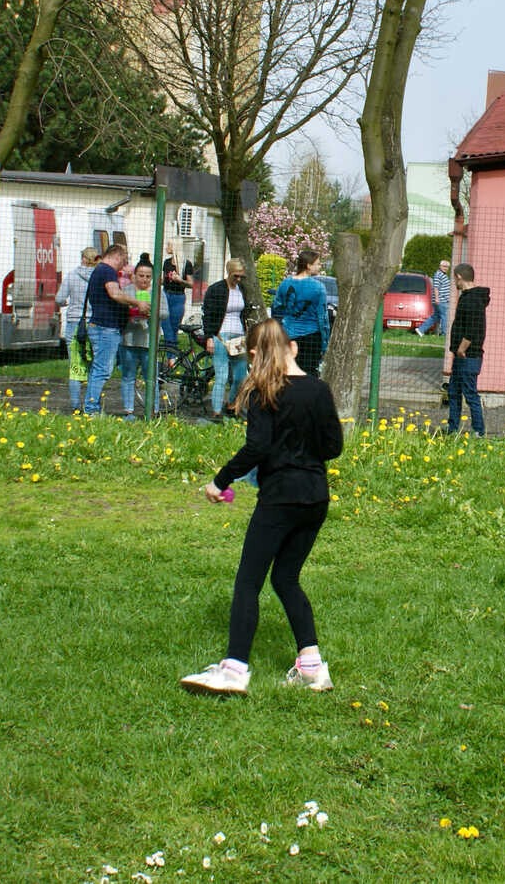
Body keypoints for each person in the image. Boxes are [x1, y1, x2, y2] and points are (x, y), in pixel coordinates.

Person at [181, 318, 344, 696]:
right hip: (315, 498)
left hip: (280, 499)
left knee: (248, 581)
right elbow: (333, 447)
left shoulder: (260, 393)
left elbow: (257, 447)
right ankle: (311, 668)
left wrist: (218, 481)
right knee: (285, 578)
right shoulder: (318, 390)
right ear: (294, 348)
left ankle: (234, 669)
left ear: (253, 354)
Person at [83, 244, 148, 416]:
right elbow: (115, 294)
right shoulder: (107, 271)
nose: (124, 265)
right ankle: (91, 409)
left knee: (99, 369)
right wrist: (137, 303)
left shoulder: (100, 270)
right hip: (106, 328)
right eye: (124, 260)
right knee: (102, 370)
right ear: (117, 256)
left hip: (102, 327)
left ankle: (91, 406)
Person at [203, 259, 251, 421]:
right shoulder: (216, 289)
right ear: (229, 272)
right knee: (222, 376)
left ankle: (231, 404)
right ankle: (216, 411)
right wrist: (209, 337)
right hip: (220, 336)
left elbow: (245, 312)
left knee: (240, 376)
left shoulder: (241, 289)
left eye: (241, 277)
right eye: (236, 276)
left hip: (238, 337)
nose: (238, 279)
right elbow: (208, 314)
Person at [118, 263, 167, 420]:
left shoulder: (157, 292)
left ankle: (153, 410)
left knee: (150, 376)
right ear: (134, 275)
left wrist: (152, 311)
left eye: (148, 276)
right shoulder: (127, 291)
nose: (144, 279)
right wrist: (131, 311)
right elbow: (119, 309)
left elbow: (165, 313)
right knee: (128, 376)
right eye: (141, 275)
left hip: (149, 341)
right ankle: (128, 411)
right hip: (129, 339)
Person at [445, 263, 490, 436]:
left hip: (468, 356)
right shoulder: (468, 296)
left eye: (454, 278)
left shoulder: (472, 300)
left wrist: (462, 349)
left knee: (470, 394)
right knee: (454, 392)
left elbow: (473, 329)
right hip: (461, 356)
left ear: (458, 277)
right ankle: (452, 428)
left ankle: (478, 431)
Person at [270, 249, 329, 377]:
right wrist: (325, 343)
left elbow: (276, 307)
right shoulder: (318, 287)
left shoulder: (285, 284)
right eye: (318, 263)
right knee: (309, 373)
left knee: (287, 371)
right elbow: (322, 317)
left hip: (288, 334)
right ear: (308, 265)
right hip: (311, 336)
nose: (320, 266)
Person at [58, 247, 98, 412]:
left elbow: (59, 298)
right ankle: (91, 402)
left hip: (75, 322)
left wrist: (67, 304)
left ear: (82, 258)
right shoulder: (99, 277)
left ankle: (75, 405)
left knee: (75, 365)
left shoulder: (72, 276)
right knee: (93, 366)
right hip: (94, 323)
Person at [162, 240, 194, 347]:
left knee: (174, 326)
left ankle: (172, 354)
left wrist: (180, 280)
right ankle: (170, 354)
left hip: (178, 297)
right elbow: (163, 280)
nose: (167, 247)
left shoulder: (186, 264)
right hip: (166, 294)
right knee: (165, 324)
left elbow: (191, 284)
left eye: (169, 245)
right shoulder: (166, 262)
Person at [415, 258, 451, 338]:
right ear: (440, 266)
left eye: (447, 267)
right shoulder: (439, 274)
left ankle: (421, 330)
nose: (446, 268)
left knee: (435, 316)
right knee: (444, 316)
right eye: (444, 266)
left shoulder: (442, 275)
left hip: (441, 300)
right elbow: (436, 287)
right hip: (441, 300)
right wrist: (437, 298)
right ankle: (444, 334)